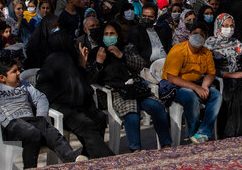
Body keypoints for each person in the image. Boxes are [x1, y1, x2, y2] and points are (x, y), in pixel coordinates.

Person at [0, 59, 85, 168]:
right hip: (12, 125)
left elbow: (40, 97)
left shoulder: (24, 85)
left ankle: (71, 158)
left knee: (52, 133)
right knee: (32, 133)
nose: (19, 73)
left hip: (32, 121)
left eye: (18, 70)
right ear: (2, 78)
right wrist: (4, 121)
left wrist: (41, 116)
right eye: (14, 71)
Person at [87, 22, 172, 150]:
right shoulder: (96, 52)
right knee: (131, 111)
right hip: (114, 92)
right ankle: (135, 148)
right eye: (106, 34)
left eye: (112, 34)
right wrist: (99, 63)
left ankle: (166, 144)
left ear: (118, 35)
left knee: (157, 107)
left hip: (136, 88)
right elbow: (90, 79)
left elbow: (140, 64)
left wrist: (122, 56)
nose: (109, 37)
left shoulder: (127, 48)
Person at [35, 30, 113, 158]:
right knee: (87, 125)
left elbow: (79, 83)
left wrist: (82, 64)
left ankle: (87, 156)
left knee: (99, 117)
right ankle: (107, 159)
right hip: (61, 106)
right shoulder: (58, 59)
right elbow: (72, 87)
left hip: (74, 103)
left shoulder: (68, 58)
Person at [162, 23, 221, 143]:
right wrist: (196, 88)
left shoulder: (206, 53)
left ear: (205, 39)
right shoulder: (178, 50)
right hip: (176, 86)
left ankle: (203, 132)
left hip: (197, 83)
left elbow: (211, 73)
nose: (198, 36)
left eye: (201, 35)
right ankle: (192, 132)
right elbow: (172, 77)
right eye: (195, 34)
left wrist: (204, 85)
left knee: (216, 95)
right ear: (189, 35)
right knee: (191, 96)